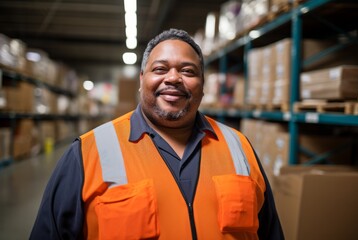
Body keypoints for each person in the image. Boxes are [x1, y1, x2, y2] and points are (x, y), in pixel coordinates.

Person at [30, 28, 284, 240]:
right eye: (160, 69)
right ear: (141, 80)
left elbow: (270, 231)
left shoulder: (239, 146)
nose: (173, 78)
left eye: (188, 71)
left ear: (203, 85)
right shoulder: (87, 153)